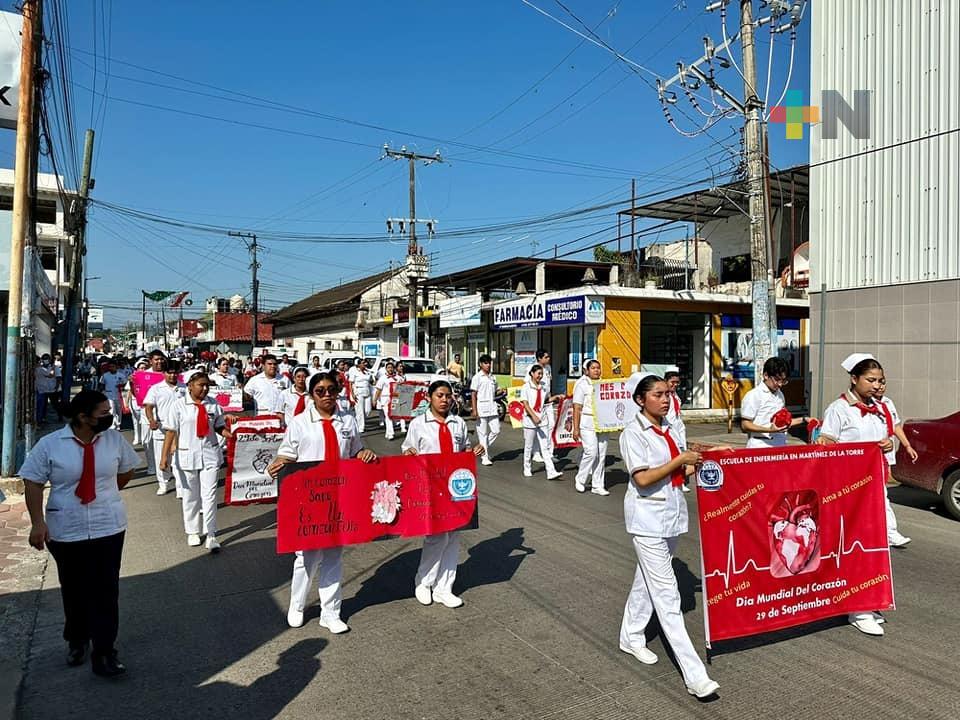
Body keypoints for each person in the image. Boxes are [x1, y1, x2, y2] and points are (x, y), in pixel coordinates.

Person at [20, 390, 141, 677]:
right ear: (82, 417)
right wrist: (38, 523)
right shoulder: (50, 445)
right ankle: (76, 638)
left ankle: (105, 652)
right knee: (74, 590)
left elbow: (126, 471)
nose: (109, 417)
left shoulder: (112, 440)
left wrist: (106, 494)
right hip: (66, 529)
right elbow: (33, 482)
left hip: (107, 526)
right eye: (102, 413)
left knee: (105, 590)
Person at [617, 374, 720, 699]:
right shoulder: (633, 433)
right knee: (667, 595)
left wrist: (706, 459)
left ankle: (631, 635)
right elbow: (644, 478)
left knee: (645, 582)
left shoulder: (671, 428)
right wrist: (680, 459)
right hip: (647, 520)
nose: (665, 399)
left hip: (671, 518)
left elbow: (679, 472)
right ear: (640, 399)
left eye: (667, 394)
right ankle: (695, 675)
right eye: (658, 394)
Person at [268, 372, 377, 634]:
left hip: (340, 495)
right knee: (306, 556)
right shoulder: (299, 423)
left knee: (333, 555)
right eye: (320, 391)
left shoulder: (347, 420)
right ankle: (297, 605)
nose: (327, 395)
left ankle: (331, 612)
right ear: (311, 394)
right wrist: (279, 462)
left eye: (331, 389)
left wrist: (364, 454)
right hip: (310, 498)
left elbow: (355, 450)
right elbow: (288, 452)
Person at [818, 353, 901, 636]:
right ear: (854, 379)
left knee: (875, 547)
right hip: (849, 491)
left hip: (874, 487)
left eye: (881, 381)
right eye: (871, 380)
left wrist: (889, 444)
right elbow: (826, 442)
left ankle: (867, 601)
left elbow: (887, 439)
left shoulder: (881, 408)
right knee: (853, 546)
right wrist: (825, 443)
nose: (877, 386)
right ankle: (857, 608)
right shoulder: (838, 409)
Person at [402, 380, 485, 608]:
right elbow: (407, 449)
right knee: (436, 537)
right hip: (428, 487)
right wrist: (409, 453)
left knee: (454, 536)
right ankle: (424, 582)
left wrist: (474, 450)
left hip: (456, 488)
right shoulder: (419, 424)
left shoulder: (457, 423)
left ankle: (444, 587)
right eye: (440, 395)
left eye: (448, 396)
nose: (445, 399)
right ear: (430, 397)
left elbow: (465, 449)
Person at [160, 370, 233, 552]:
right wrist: (164, 458)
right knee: (190, 496)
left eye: (207, 385)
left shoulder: (213, 404)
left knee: (209, 496)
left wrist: (231, 435)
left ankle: (211, 534)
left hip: (210, 455)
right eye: (201, 385)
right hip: (187, 455)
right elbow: (170, 432)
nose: (205, 388)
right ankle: (192, 531)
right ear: (190, 386)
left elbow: (218, 426)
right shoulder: (178, 406)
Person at [874, 377, 916, 548]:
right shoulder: (864, 406)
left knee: (879, 493)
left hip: (885, 455)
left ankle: (882, 530)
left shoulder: (888, 403)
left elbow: (896, 426)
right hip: (869, 457)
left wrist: (907, 445)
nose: (880, 386)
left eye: (883, 382)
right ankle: (890, 532)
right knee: (881, 495)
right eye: (875, 381)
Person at [740, 357, 809, 449]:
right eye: (777, 379)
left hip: (780, 444)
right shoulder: (754, 395)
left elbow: (782, 423)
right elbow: (745, 425)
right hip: (760, 445)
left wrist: (804, 419)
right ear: (766, 375)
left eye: (783, 381)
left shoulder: (780, 395)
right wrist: (769, 430)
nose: (780, 384)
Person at [143, 360, 185, 496]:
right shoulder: (156, 388)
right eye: (169, 373)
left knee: (179, 460)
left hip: (181, 430)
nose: (172, 376)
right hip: (162, 428)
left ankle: (180, 487)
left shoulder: (185, 388)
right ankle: (163, 483)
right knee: (161, 458)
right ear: (164, 373)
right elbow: (148, 406)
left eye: (175, 373)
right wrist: (151, 420)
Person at [572, 359, 609, 496]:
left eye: (598, 368)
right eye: (593, 368)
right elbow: (576, 407)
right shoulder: (582, 385)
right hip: (587, 420)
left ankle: (597, 485)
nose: (597, 370)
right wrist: (576, 428)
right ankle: (580, 479)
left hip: (603, 421)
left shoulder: (604, 384)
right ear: (586, 370)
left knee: (602, 454)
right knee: (591, 452)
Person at [520, 365, 563, 480]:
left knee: (545, 446)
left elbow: (546, 400)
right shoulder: (526, 387)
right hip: (530, 419)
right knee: (529, 446)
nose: (540, 376)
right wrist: (533, 416)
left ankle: (551, 471)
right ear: (532, 374)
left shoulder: (544, 387)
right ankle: (527, 467)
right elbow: (525, 404)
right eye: (538, 373)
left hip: (542, 419)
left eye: (541, 374)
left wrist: (556, 398)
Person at [470, 354, 499, 467]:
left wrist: (502, 391)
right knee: (482, 434)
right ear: (481, 365)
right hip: (481, 408)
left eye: (489, 363)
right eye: (486, 363)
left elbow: (495, 391)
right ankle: (485, 457)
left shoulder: (493, 377)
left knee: (496, 430)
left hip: (492, 408)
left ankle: (482, 447)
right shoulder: (477, 377)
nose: (488, 365)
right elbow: (473, 394)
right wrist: (474, 410)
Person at [531, 349, 556, 464]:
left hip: (548, 401)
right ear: (539, 358)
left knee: (551, 426)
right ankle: (536, 452)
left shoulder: (548, 368)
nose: (548, 359)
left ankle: (549, 453)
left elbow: (548, 384)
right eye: (546, 357)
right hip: (538, 403)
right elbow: (529, 385)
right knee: (538, 428)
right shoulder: (532, 369)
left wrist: (551, 397)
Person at [372, 361, 400, 440]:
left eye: (391, 367)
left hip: (395, 399)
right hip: (385, 398)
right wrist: (375, 400)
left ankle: (388, 432)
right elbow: (378, 390)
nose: (390, 369)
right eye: (388, 368)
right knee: (388, 416)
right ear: (386, 369)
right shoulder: (383, 378)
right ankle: (391, 433)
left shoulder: (397, 378)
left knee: (393, 416)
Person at [126, 358, 149, 448]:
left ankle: (144, 438)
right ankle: (137, 437)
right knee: (136, 421)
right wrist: (127, 403)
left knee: (144, 421)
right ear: (137, 369)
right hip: (135, 402)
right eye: (141, 368)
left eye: (144, 368)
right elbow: (129, 391)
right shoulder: (133, 378)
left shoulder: (149, 378)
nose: (143, 369)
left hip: (145, 402)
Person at [347, 358, 373, 432]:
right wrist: (352, 394)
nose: (365, 364)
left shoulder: (368, 372)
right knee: (360, 410)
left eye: (365, 363)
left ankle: (359, 420)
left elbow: (371, 381)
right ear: (359, 364)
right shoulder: (355, 372)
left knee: (368, 410)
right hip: (358, 391)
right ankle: (360, 427)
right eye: (363, 363)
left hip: (367, 391)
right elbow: (350, 383)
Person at [98, 360, 124, 430]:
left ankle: (118, 424)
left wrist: (121, 386)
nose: (111, 368)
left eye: (113, 366)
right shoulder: (105, 375)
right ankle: (113, 425)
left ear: (116, 367)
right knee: (112, 410)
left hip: (118, 395)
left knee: (119, 411)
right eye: (110, 367)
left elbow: (125, 385)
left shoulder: (121, 375)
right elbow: (101, 385)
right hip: (109, 394)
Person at [35, 354, 58, 425]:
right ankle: (39, 421)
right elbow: (50, 375)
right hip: (41, 390)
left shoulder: (36, 369)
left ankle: (39, 420)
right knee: (40, 407)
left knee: (40, 406)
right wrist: (53, 368)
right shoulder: (40, 369)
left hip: (40, 389)